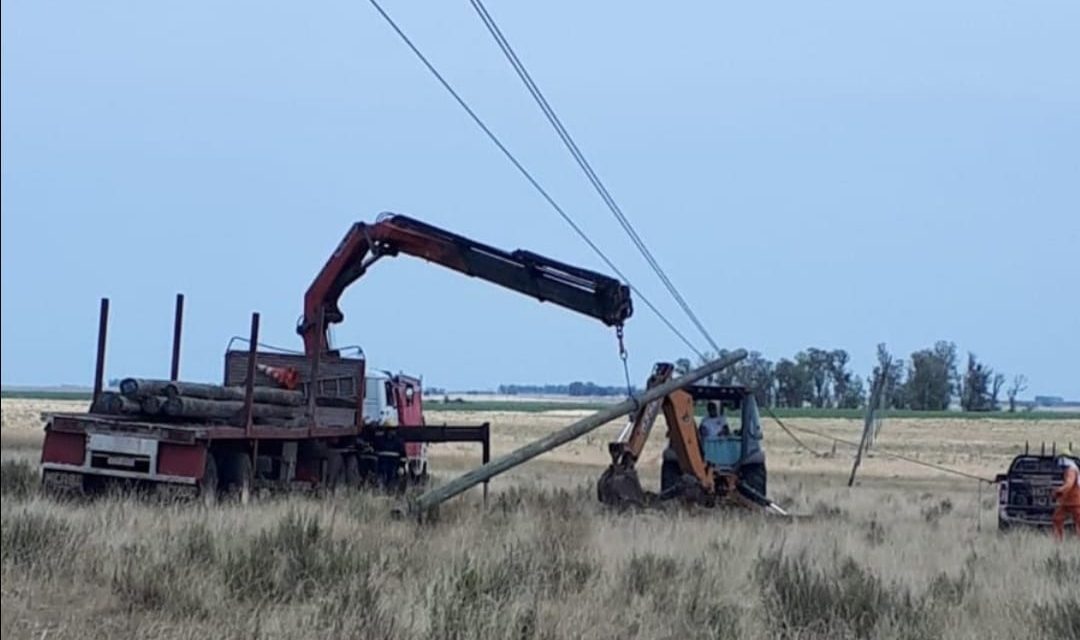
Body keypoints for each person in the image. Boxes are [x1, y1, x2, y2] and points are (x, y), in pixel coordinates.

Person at [1052, 456, 1080, 541]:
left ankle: (1058, 540)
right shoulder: (1072, 469)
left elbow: (1069, 485)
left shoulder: (1071, 471)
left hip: (1074, 501)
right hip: (1068, 501)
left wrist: (1058, 491)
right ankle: (1058, 540)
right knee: (1057, 519)